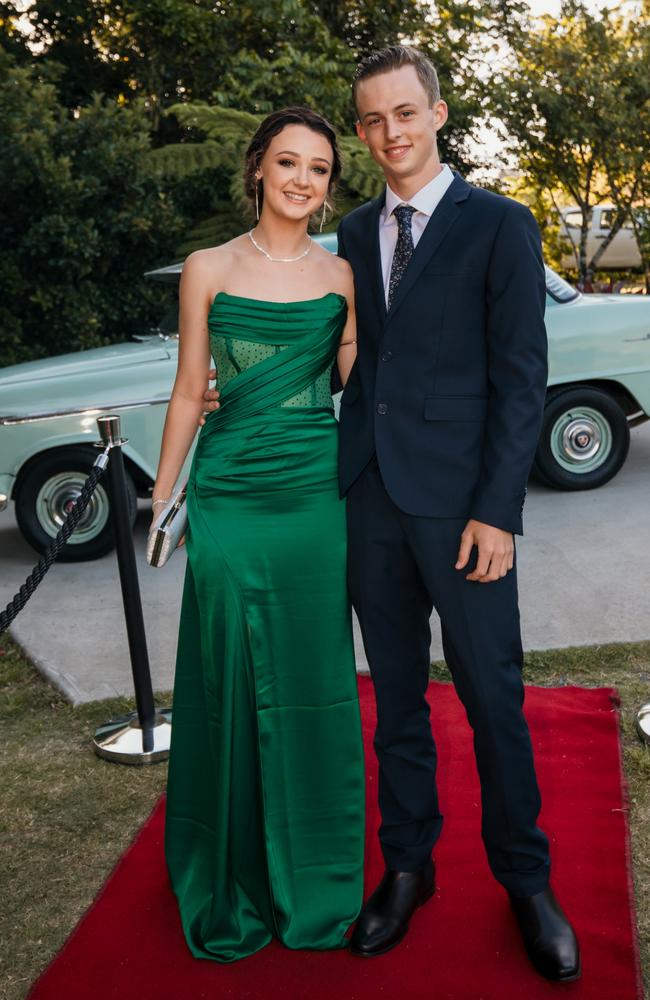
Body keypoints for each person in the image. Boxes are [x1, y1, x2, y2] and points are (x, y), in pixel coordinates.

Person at [203, 45, 583, 983]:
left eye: (404, 113)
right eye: (370, 120)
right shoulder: (356, 232)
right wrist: (237, 393)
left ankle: (526, 883)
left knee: (493, 695)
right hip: (368, 500)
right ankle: (408, 868)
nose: (388, 134)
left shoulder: (500, 224)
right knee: (397, 703)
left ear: (438, 113)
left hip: (464, 514)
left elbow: (521, 382)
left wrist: (498, 513)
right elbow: (346, 360)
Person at [154, 106, 365, 963]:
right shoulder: (206, 267)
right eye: (288, 162)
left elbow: (362, 380)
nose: (302, 181)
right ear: (257, 169)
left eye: (318, 168)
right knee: (230, 672)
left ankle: (312, 869)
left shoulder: (346, 276)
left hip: (317, 495)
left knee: (314, 677)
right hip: (230, 491)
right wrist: (163, 500)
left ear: (327, 185)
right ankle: (233, 867)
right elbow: (184, 390)